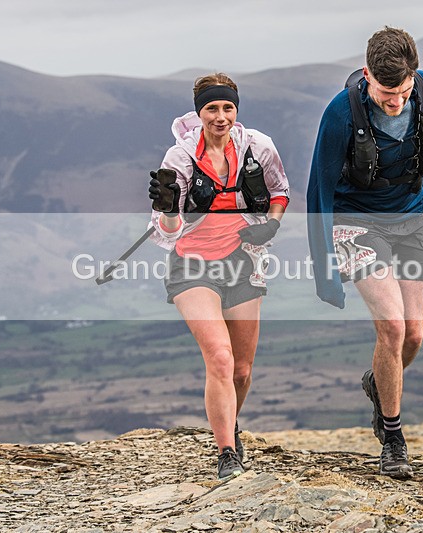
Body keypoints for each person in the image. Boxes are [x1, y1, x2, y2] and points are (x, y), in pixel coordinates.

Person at [306, 27, 423, 478]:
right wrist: (325, 272)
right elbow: (319, 192)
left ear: (415, 75)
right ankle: (393, 438)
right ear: (367, 74)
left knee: (413, 336)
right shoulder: (340, 113)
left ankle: (378, 382)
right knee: (391, 327)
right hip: (355, 221)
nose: (395, 102)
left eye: (403, 91)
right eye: (385, 92)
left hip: (412, 217)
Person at [147, 73, 289, 480]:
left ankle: (230, 424)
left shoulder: (257, 146)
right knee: (220, 358)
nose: (221, 116)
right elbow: (166, 232)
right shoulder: (179, 159)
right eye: (212, 108)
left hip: (244, 260)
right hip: (191, 264)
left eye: (228, 107)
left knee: (241, 369)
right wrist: (168, 209)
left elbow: (280, 190)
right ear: (199, 113)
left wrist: (271, 225)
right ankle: (227, 452)